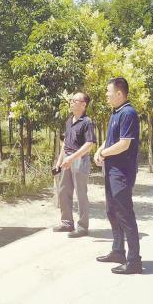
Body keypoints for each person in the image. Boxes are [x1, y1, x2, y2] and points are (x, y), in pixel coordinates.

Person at [94, 77, 142, 274]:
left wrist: (104, 153)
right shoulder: (116, 113)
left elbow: (124, 144)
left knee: (124, 214)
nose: (106, 95)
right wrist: (100, 150)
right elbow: (110, 140)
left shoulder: (129, 113)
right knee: (111, 211)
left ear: (120, 93)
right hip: (111, 170)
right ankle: (118, 251)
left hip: (122, 172)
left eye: (109, 91)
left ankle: (134, 261)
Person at [53, 92, 96, 238]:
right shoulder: (69, 121)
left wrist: (72, 158)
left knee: (81, 194)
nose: (71, 103)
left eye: (75, 100)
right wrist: (59, 162)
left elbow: (89, 144)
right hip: (67, 158)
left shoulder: (87, 122)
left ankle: (83, 227)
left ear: (84, 104)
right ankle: (67, 223)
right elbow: (65, 143)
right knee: (63, 191)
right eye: (71, 100)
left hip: (79, 159)